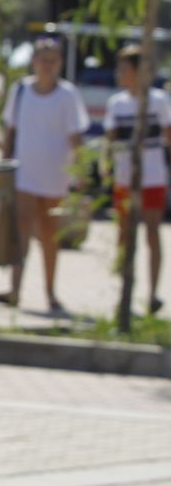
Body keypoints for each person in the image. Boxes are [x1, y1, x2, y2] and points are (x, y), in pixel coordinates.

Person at [0, 37, 88, 314]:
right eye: (43, 59)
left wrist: (81, 171)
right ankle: (15, 290)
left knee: (50, 235)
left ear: (60, 63)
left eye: (53, 60)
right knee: (22, 230)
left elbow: (75, 136)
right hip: (25, 173)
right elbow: (10, 131)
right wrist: (3, 165)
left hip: (55, 176)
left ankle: (50, 291)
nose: (47, 65)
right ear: (33, 61)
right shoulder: (21, 90)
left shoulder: (67, 95)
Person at [106, 45, 168, 315]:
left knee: (152, 232)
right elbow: (110, 141)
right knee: (123, 233)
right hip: (124, 178)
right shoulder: (116, 103)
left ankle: (153, 293)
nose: (119, 74)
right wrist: (107, 169)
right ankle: (125, 293)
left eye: (124, 69)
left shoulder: (160, 100)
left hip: (153, 176)